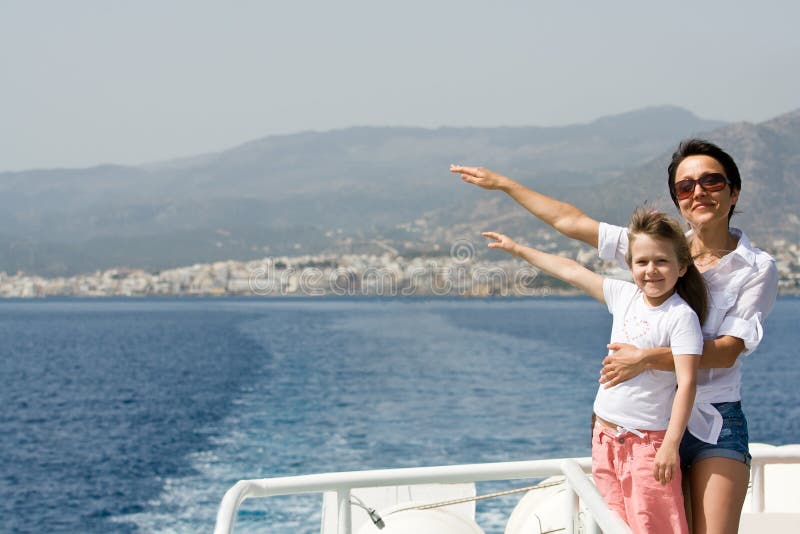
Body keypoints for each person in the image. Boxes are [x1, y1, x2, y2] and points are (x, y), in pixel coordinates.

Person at [451, 138, 779, 534]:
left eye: (712, 181)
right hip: (648, 429)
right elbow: (572, 224)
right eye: (685, 186)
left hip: (714, 420)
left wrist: (643, 358)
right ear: (677, 199)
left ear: (734, 191)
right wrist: (505, 184)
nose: (699, 192)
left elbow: (726, 353)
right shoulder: (661, 250)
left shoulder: (757, 268)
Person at [484, 208, 704, 533]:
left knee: (653, 528)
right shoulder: (625, 296)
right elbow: (571, 271)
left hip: (646, 446)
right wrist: (517, 249)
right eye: (642, 262)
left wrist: (671, 445)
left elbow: (687, 383)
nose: (651, 270)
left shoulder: (680, 317)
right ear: (630, 266)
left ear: (682, 266)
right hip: (604, 439)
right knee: (613, 524)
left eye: (662, 261)